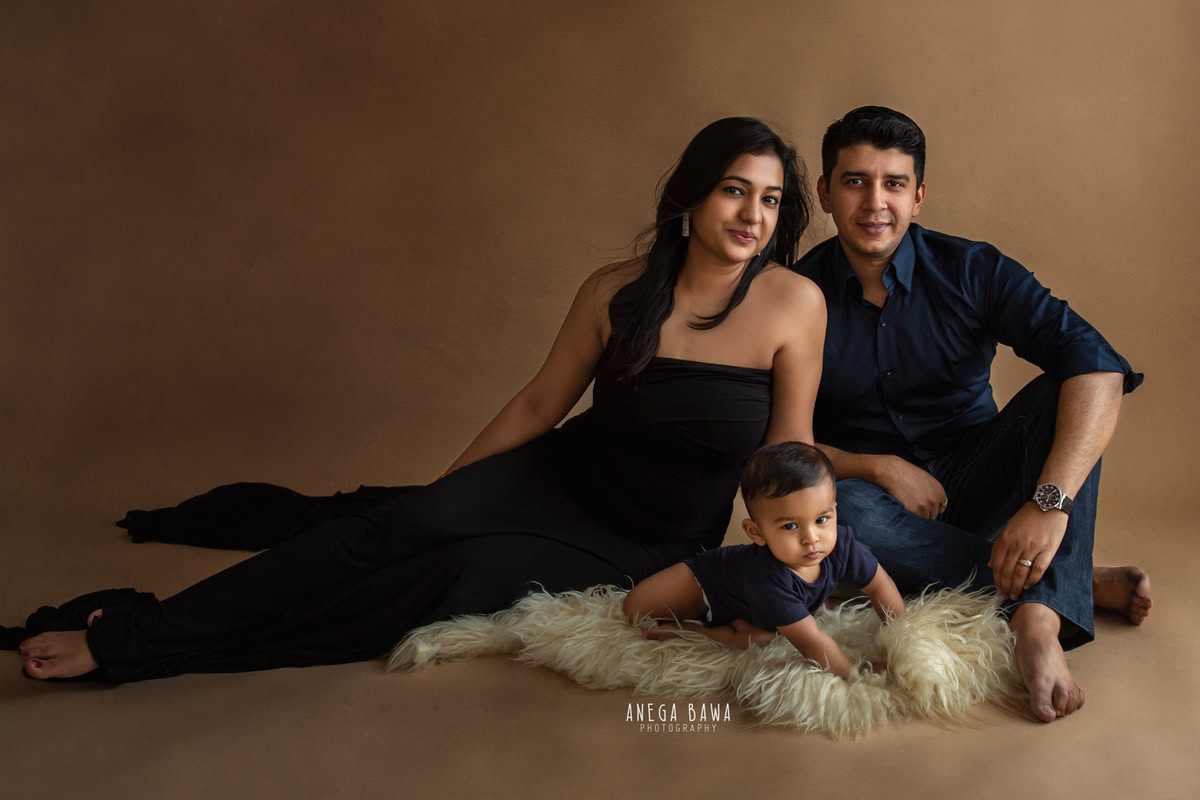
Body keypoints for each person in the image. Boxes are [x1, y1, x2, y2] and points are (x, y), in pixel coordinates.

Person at [13, 117, 829, 683]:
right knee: (393, 528)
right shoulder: (615, 291)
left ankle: (153, 650)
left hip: (644, 538)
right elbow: (539, 405)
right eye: (733, 190)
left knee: (451, 572)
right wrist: (448, 493)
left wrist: (783, 579)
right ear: (690, 196)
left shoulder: (793, 304)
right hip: (554, 475)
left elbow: (788, 457)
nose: (752, 214)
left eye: (767, 198)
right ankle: (136, 633)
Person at [792, 106, 1153, 722]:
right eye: (854, 181)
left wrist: (1047, 504)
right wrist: (878, 467)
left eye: (894, 184)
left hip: (985, 478)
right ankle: (1070, 586)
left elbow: (1098, 366)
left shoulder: (972, 269)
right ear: (826, 192)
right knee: (838, 511)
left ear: (920, 195)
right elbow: (783, 447)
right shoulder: (794, 295)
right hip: (876, 505)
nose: (874, 202)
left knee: (1062, 390)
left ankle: (1037, 621)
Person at [623, 441, 905, 678]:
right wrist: (856, 672)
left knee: (765, 636)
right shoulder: (768, 575)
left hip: (755, 606)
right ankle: (699, 632)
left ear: (834, 510)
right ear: (756, 532)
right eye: (790, 526)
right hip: (706, 585)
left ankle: (751, 625)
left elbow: (880, 586)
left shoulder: (842, 543)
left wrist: (903, 640)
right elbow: (812, 642)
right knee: (635, 607)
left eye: (821, 519)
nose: (811, 537)